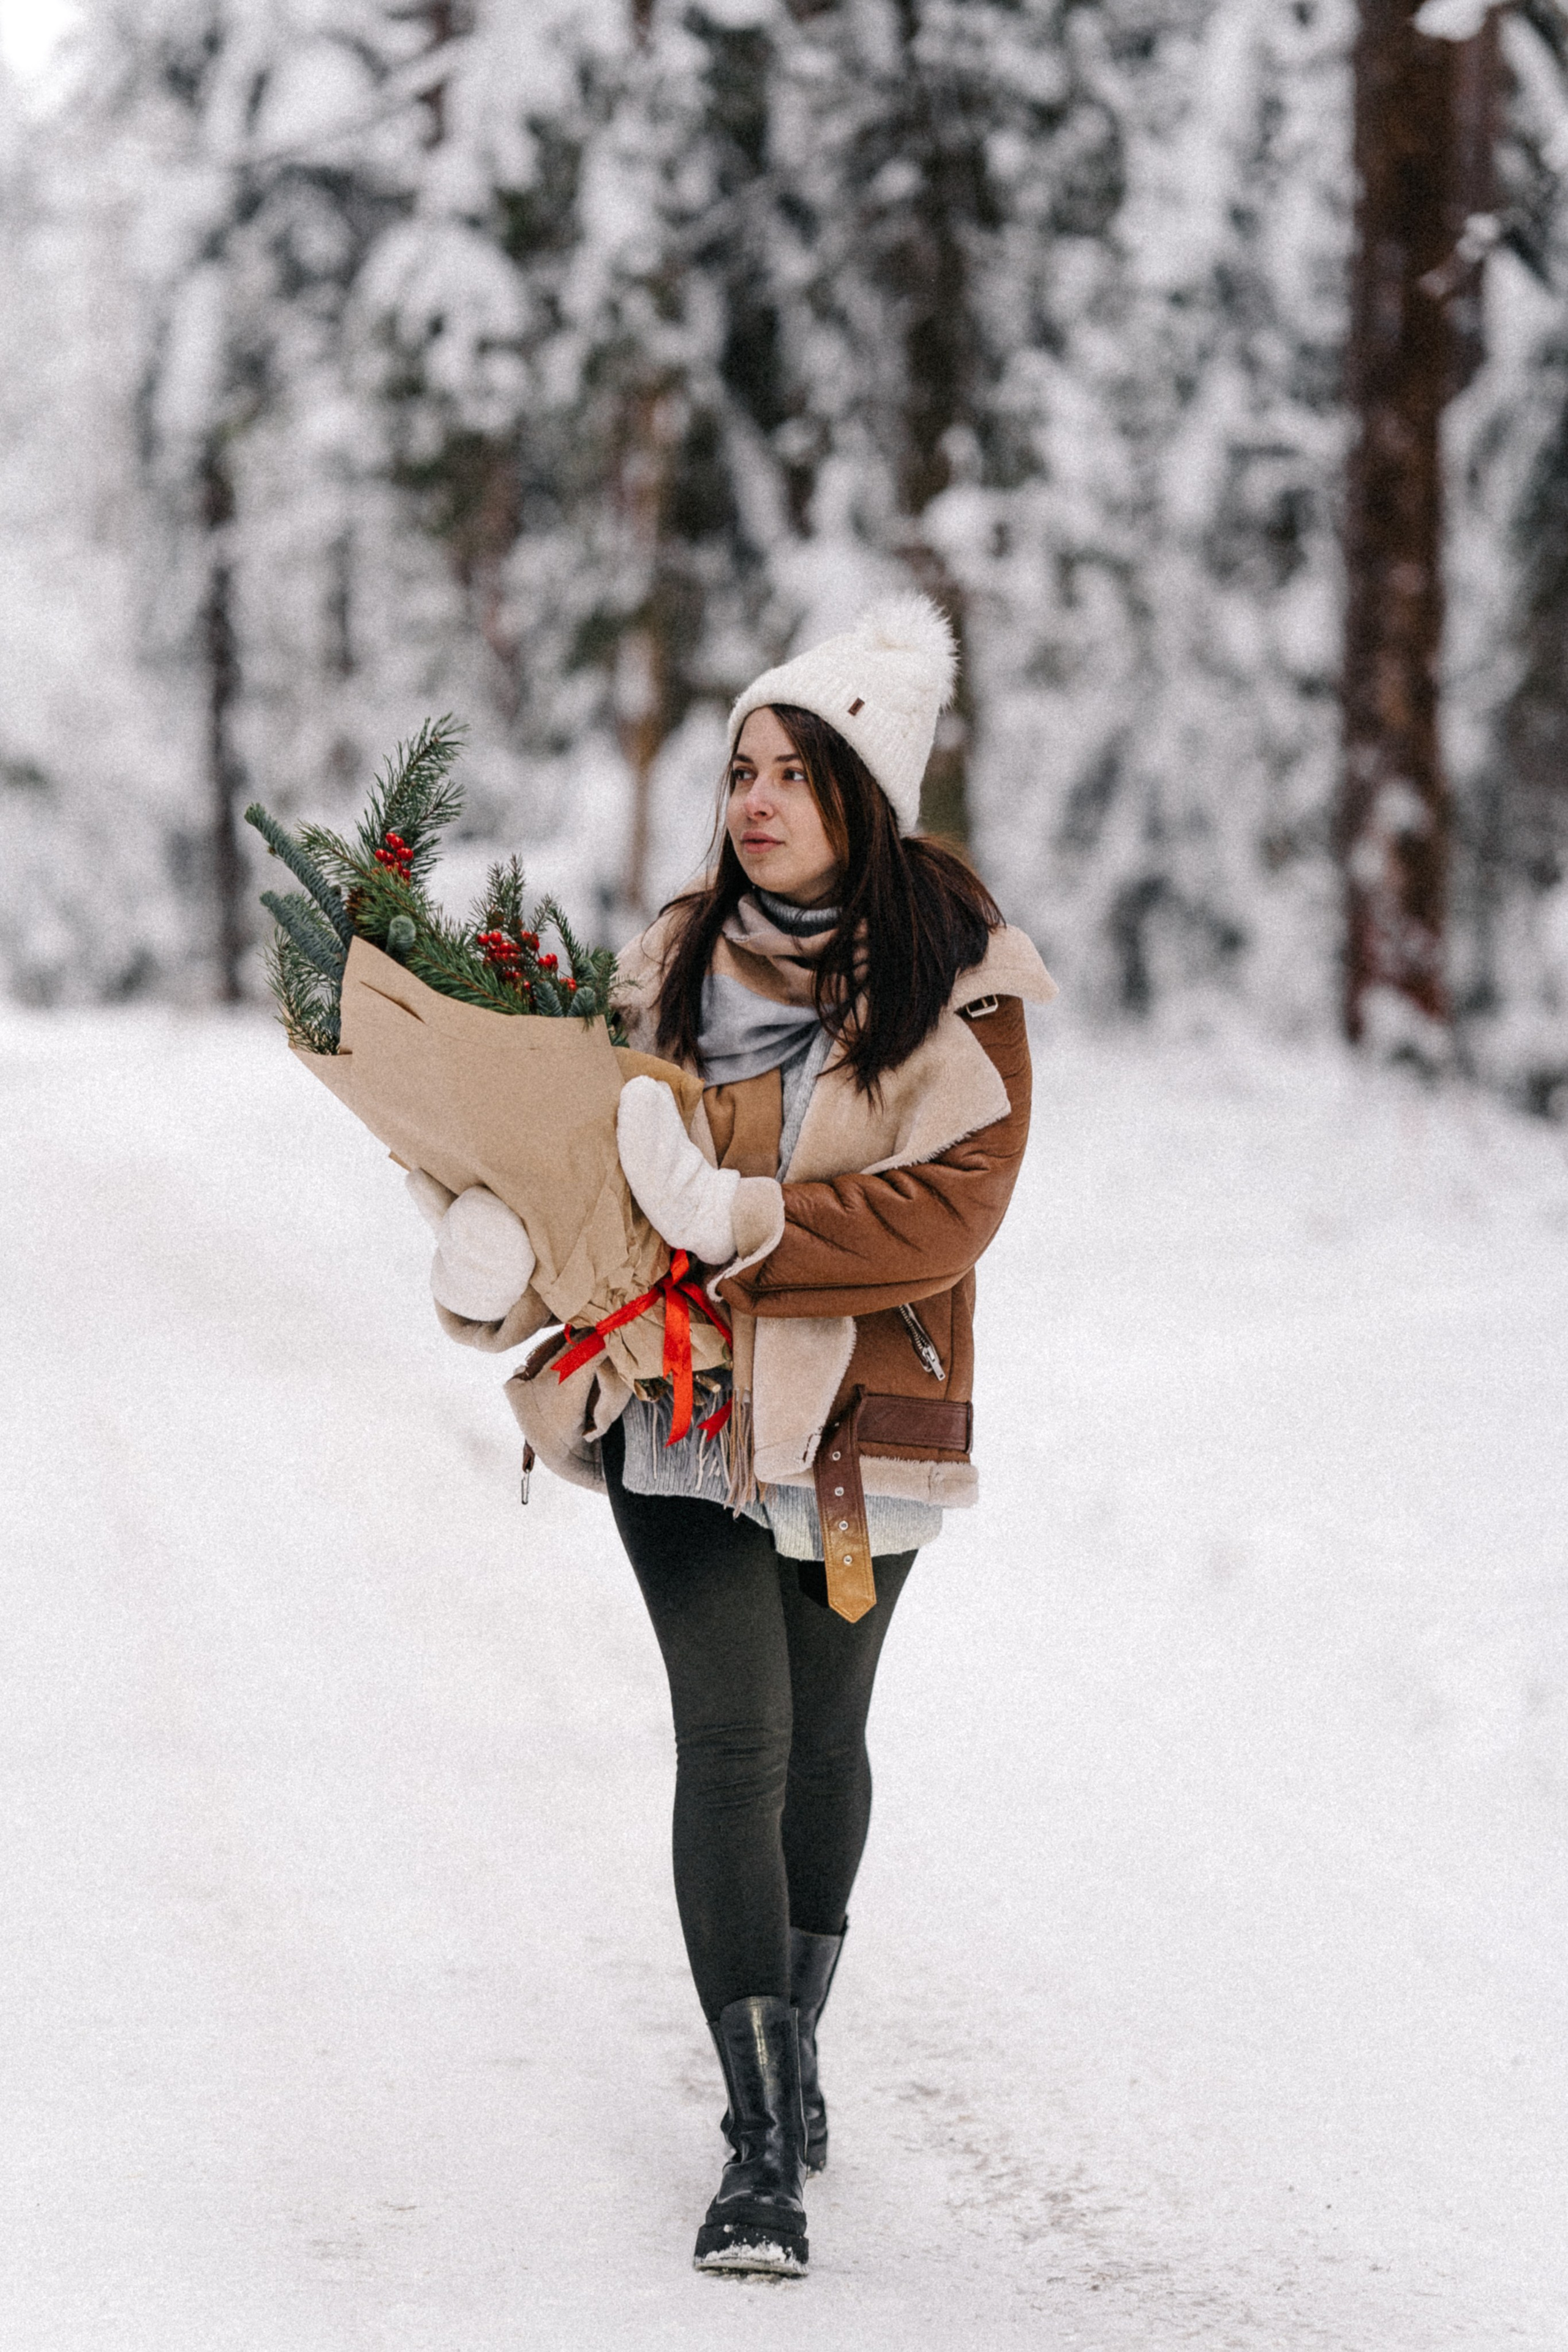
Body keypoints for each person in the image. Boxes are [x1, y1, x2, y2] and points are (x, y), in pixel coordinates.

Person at [420, 598, 1055, 2277]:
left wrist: (747, 1212)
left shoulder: (960, 985)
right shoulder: (669, 963)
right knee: (739, 1739)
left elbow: (950, 1210)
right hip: (681, 1401)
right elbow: (571, 1183)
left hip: (864, 1421)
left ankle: (803, 2040)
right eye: (739, 769)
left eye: (793, 772)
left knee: (827, 1744)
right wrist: (490, 1261)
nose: (755, 799)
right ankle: (759, 2137)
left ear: (864, 790)